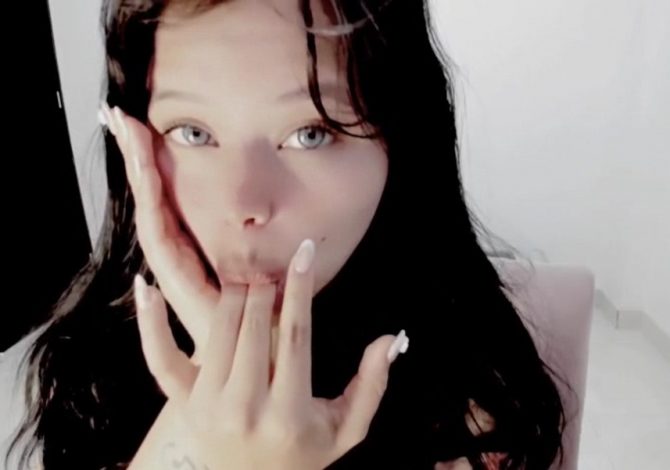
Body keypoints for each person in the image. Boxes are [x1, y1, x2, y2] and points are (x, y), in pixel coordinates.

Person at [1, 0, 567, 468]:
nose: (245, 205)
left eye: (311, 133)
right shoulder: (89, 367)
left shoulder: (472, 403)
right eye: (193, 132)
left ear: (401, 143)